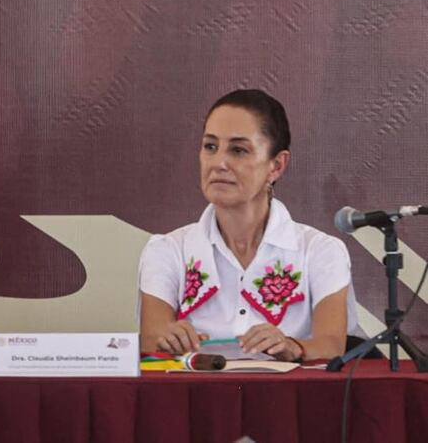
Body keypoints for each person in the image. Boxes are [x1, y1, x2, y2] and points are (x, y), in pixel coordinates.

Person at [138, 89, 358, 362]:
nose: (219, 163)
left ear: (276, 166)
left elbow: (332, 346)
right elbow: (151, 343)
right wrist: (168, 340)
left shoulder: (321, 251)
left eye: (239, 150)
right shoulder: (167, 250)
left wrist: (292, 346)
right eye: (210, 147)